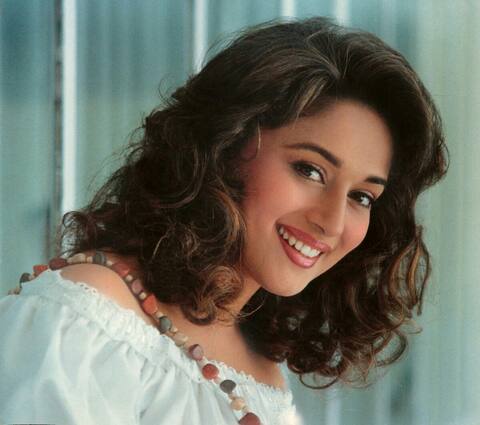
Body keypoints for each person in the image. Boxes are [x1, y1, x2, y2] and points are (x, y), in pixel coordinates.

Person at [0, 16, 447, 425]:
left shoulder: (260, 366)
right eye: (310, 170)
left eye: (362, 197)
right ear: (225, 145)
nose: (332, 222)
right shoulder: (85, 319)